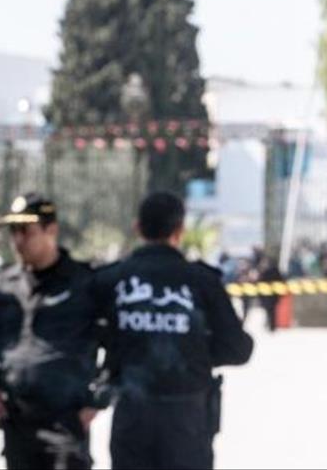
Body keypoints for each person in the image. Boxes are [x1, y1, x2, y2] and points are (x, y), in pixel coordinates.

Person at [90, 192, 254, 470]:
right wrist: (192, 349)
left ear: (138, 228)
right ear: (180, 230)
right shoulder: (202, 281)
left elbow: (85, 334)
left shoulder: (111, 279)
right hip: (187, 418)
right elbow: (238, 349)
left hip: (132, 414)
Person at [0, 193, 104, 470]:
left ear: (51, 230)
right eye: (13, 231)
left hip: (66, 421)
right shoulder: (6, 284)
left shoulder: (85, 283)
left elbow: (118, 344)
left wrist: (99, 398)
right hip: (17, 420)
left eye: (26, 231)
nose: (18, 240)